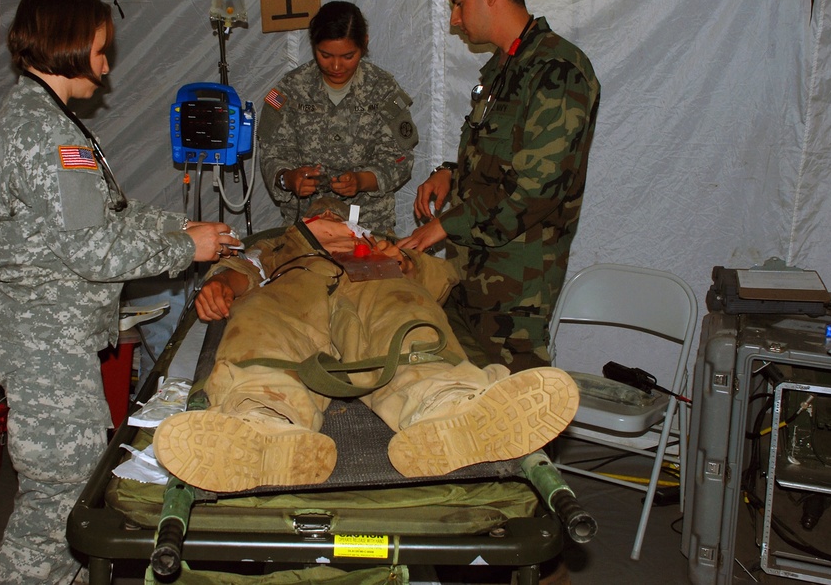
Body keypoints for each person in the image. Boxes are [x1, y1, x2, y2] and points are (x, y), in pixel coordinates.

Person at [0, 0, 240, 585]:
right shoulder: (47, 134)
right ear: (67, 45)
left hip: (51, 334)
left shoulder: (46, 119)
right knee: (58, 495)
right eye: (99, 51)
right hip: (44, 338)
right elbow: (93, 250)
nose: (105, 67)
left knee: (72, 487)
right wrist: (184, 248)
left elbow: (108, 214)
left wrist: (182, 225)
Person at [152, 199, 578, 494]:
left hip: (370, 278)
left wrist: (404, 262)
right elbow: (243, 265)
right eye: (322, 214)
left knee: (405, 314)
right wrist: (223, 285)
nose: (330, 217)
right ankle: (263, 423)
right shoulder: (283, 245)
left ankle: (445, 406)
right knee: (261, 319)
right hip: (298, 283)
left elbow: (440, 279)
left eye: (337, 214)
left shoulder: (382, 244)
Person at [398, 0, 600, 373]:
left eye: (458, 3)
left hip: (515, 296)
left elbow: (534, 190)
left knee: (523, 420)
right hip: (471, 282)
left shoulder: (556, 71)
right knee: (471, 415)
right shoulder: (506, 68)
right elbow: (497, 159)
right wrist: (450, 174)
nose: (454, 20)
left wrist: (445, 224)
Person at [258, 0, 418, 234]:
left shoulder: (383, 89)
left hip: (369, 225)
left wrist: (362, 180)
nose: (335, 66)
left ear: (364, 44)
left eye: (347, 56)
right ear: (314, 46)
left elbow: (400, 159)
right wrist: (289, 179)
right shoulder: (291, 90)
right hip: (306, 226)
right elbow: (272, 153)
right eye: (325, 55)